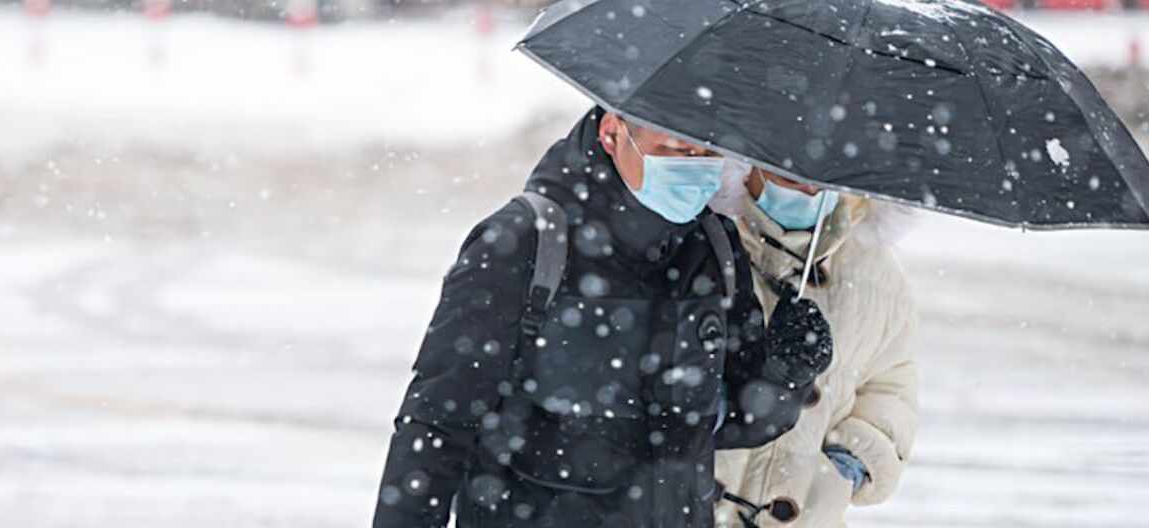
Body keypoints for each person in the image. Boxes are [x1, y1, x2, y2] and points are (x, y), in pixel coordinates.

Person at [373, 107, 835, 528]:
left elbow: (730, 422)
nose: (694, 167)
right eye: (676, 151)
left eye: (707, 153)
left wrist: (787, 373)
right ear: (613, 133)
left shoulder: (714, 249)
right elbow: (435, 426)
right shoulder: (523, 244)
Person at [710, 166, 919, 528]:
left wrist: (845, 466)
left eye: (824, 163)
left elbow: (892, 386)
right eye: (783, 160)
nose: (803, 173)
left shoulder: (878, 277)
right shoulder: (707, 241)